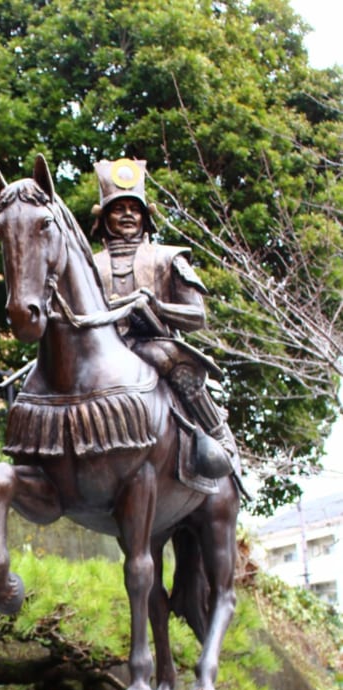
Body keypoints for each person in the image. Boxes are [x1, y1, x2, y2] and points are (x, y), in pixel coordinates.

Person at [91, 157, 238, 480]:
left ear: (146, 217)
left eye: (135, 208)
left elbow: (197, 315)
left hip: (150, 344)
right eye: (118, 208)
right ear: (104, 218)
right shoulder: (88, 264)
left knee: (177, 363)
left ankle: (218, 433)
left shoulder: (168, 258)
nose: (128, 214)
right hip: (100, 348)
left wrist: (158, 307)